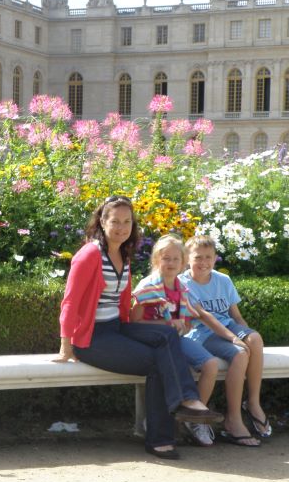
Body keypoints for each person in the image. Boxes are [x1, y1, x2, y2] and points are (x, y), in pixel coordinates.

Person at [57, 197, 223, 460]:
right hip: (93, 338)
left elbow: (124, 302)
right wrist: (66, 346)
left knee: (167, 333)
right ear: (102, 221)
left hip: (118, 327)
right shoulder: (89, 254)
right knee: (158, 362)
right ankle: (162, 436)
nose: (121, 227)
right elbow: (71, 300)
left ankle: (188, 402)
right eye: (115, 221)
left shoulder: (123, 254)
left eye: (127, 222)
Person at [131, 235, 226, 447]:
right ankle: (158, 419)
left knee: (211, 364)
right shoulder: (148, 286)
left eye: (175, 259)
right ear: (156, 261)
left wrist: (184, 324)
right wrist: (165, 325)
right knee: (169, 367)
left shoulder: (181, 289)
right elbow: (133, 322)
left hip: (175, 338)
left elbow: (189, 318)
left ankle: (193, 418)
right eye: (166, 258)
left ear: (183, 263)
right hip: (152, 341)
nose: (171, 263)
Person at [179, 235, 271, 446]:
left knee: (255, 340)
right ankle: (233, 420)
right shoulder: (183, 283)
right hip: (203, 333)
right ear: (187, 259)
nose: (203, 262)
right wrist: (234, 339)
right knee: (240, 354)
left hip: (227, 327)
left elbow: (235, 316)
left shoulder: (223, 280)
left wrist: (245, 334)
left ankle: (254, 403)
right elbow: (205, 318)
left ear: (215, 258)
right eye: (198, 257)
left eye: (208, 257)